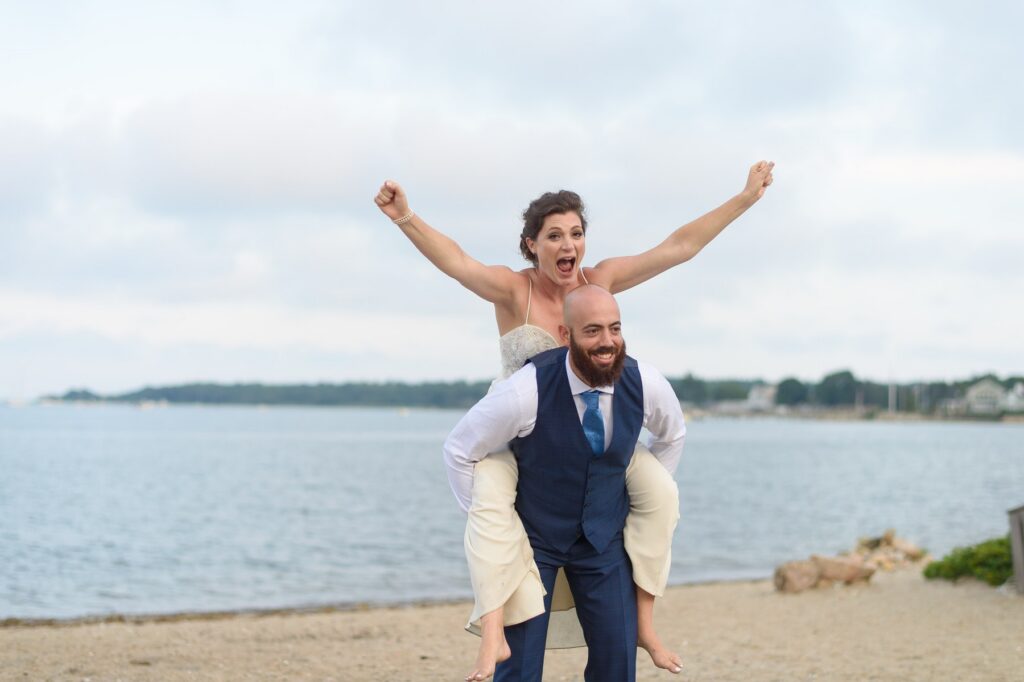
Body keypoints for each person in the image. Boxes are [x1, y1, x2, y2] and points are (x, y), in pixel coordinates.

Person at [374, 161, 774, 680]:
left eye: (577, 233)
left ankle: (645, 622)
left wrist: (744, 198)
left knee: (662, 493)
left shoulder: (600, 282)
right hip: (524, 434)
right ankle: (493, 635)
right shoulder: (512, 290)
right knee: (493, 506)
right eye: (555, 235)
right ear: (531, 244)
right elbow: (456, 261)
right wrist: (406, 217)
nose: (569, 245)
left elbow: (678, 247)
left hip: (597, 430)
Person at [444, 285, 686, 681]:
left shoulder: (646, 384)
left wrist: (627, 500)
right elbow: (458, 449)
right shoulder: (525, 390)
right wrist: (490, 525)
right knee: (518, 668)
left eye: (615, 328)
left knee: (618, 663)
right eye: (592, 331)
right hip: (534, 539)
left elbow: (672, 436)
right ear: (565, 334)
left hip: (604, 541)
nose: (607, 341)